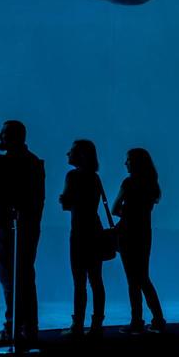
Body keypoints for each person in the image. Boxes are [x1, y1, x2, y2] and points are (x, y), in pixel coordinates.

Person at [0, 120, 44, 347]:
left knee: (11, 278)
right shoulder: (33, 163)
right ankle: (27, 328)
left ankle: (14, 328)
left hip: (10, 229)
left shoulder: (14, 163)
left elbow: (6, 198)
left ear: (12, 137)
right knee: (25, 278)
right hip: (21, 228)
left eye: (2, 134)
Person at [114, 148, 166, 334]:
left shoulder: (128, 183)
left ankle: (137, 320)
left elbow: (114, 208)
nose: (125, 163)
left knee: (132, 280)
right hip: (144, 233)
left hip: (127, 233)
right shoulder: (151, 185)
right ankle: (158, 319)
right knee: (143, 277)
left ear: (135, 162)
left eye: (128, 160)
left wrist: (126, 213)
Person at [58, 139, 107, 338]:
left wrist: (64, 199)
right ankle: (96, 324)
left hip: (79, 233)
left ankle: (77, 324)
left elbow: (66, 203)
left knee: (79, 281)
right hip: (95, 230)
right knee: (96, 280)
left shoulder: (73, 176)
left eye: (71, 151)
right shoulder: (95, 178)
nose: (67, 154)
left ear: (79, 155)